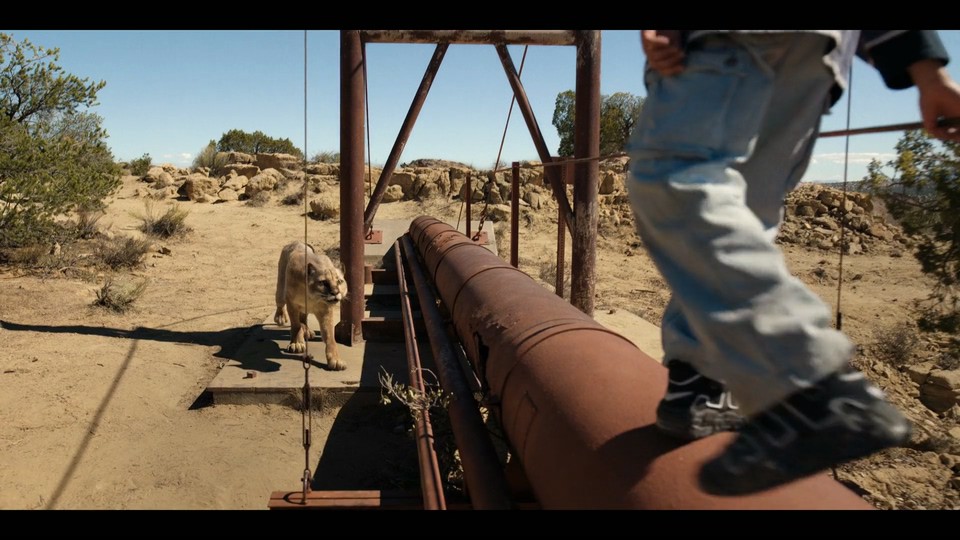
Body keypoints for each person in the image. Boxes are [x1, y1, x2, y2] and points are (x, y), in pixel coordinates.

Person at [626, 30, 960, 496]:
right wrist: (928, 69)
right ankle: (704, 384)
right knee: (737, 219)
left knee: (673, 182)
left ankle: (809, 388)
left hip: (732, 41)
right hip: (815, 56)